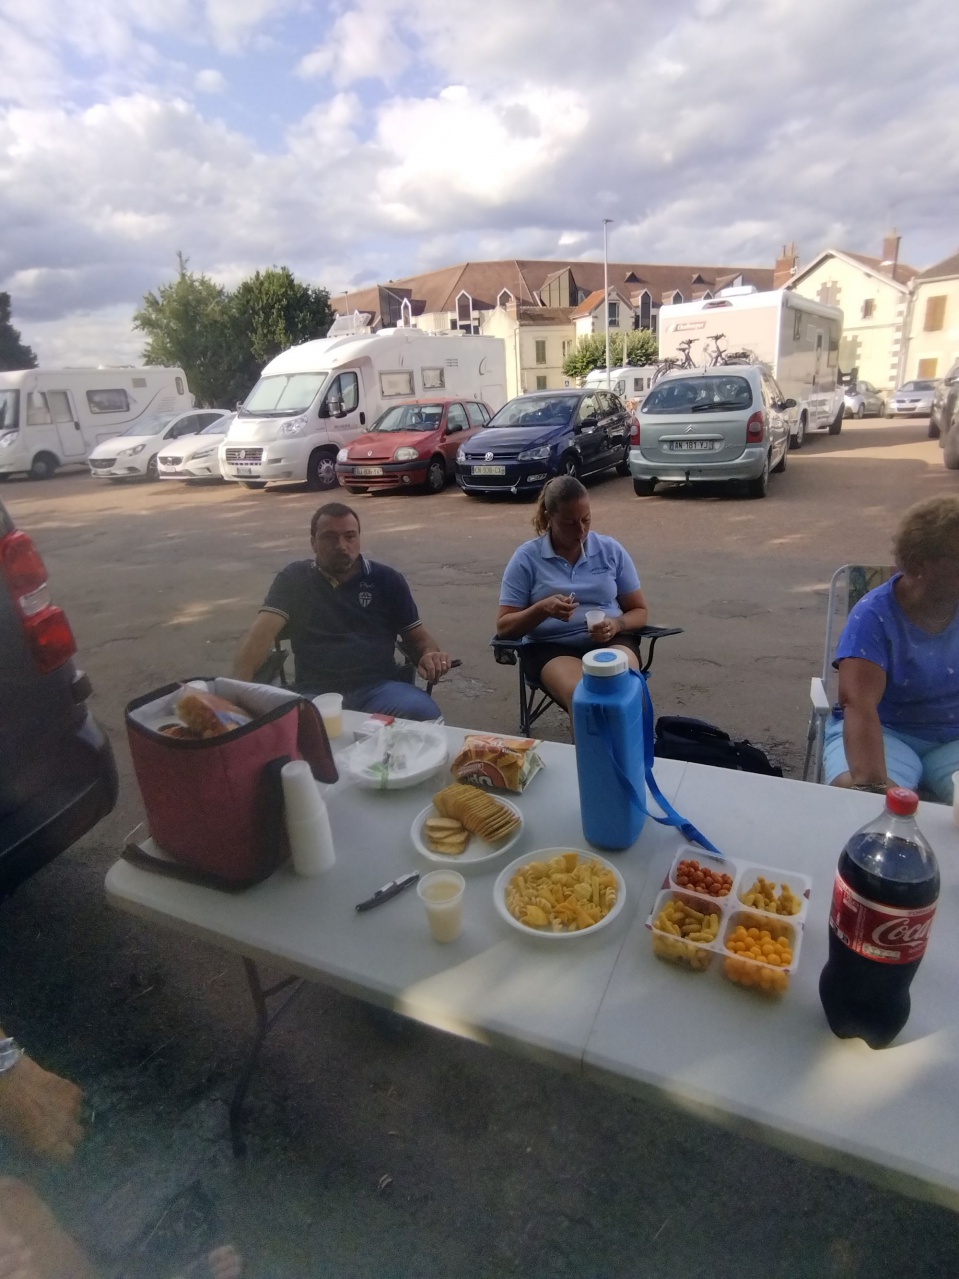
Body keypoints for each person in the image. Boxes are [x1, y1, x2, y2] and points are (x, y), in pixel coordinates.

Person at [234, 502, 453, 720]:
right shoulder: (294, 579)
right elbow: (258, 638)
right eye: (329, 537)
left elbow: (421, 640)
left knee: (425, 715)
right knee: (285, 730)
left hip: (379, 689)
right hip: (314, 694)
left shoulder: (386, 580)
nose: (341, 545)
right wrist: (236, 697)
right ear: (313, 543)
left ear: (359, 538)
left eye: (350, 536)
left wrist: (430, 655)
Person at [825, 495, 959, 800]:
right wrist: (872, 785)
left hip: (954, 738)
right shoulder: (874, 615)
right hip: (885, 730)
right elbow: (859, 704)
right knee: (861, 799)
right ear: (923, 562)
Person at [496, 475, 648, 712]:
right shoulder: (527, 558)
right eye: (569, 523)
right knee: (585, 699)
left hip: (610, 640)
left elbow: (640, 612)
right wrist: (541, 609)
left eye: (586, 519)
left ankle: (632, 750)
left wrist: (616, 625)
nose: (581, 530)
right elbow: (504, 628)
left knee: (624, 689)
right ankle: (595, 750)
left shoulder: (609, 550)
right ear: (549, 517)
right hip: (551, 646)